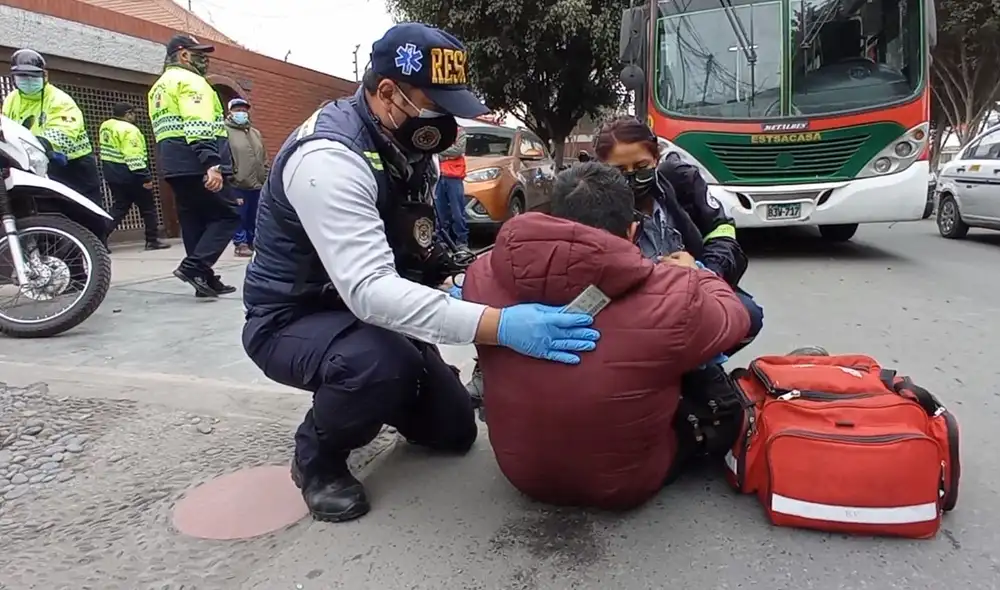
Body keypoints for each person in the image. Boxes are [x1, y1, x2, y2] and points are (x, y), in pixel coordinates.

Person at [241, 23, 600, 523]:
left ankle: (386, 386)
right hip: (295, 317)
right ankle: (317, 457)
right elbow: (370, 292)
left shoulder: (407, 150)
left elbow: (421, 249)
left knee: (453, 430)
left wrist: (479, 282)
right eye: (435, 106)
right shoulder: (329, 159)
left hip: (371, 317)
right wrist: (500, 325)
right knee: (377, 365)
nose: (445, 123)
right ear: (389, 92)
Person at [461, 162, 750, 509]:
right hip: (626, 485)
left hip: (522, 475)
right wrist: (698, 273)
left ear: (554, 217)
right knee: (712, 384)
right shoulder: (675, 294)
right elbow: (738, 318)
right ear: (632, 231)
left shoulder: (481, 274)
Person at [148, 34, 240, 298]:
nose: (205, 60)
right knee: (228, 215)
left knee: (194, 221)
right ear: (184, 55)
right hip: (198, 162)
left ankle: (203, 279)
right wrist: (212, 163)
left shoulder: (158, 87)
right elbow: (197, 124)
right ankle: (194, 267)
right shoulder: (191, 81)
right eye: (200, 54)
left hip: (174, 165)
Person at [3, 49, 106, 229]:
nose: (28, 80)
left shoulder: (59, 99)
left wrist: (44, 142)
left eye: (33, 76)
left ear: (45, 75)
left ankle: (95, 246)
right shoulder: (11, 99)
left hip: (73, 164)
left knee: (87, 217)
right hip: (38, 165)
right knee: (48, 215)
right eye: (22, 76)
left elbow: (67, 128)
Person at [99, 102, 170, 250]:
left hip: (112, 174)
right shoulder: (129, 130)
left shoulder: (106, 126)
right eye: (133, 113)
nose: (135, 116)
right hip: (131, 174)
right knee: (148, 208)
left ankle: (99, 238)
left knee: (119, 208)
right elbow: (133, 156)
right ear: (128, 114)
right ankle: (152, 240)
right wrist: (145, 177)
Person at [224, 97, 268, 258]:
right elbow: (225, 156)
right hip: (238, 183)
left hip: (257, 183)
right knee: (239, 215)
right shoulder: (225, 132)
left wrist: (265, 176)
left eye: (244, 110)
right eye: (237, 110)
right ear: (230, 112)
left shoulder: (255, 133)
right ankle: (240, 243)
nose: (241, 113)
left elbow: (263, 157)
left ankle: (252, 241)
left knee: (254, 215)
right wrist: (231, 177)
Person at [434, 126, 468, 248]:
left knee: (457, 213)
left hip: (454, 177)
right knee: (440, 214)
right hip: (439, 175)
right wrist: (448, 154)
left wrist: (439, 152)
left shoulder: (459, 131)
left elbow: (457, 150)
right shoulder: (438, 130)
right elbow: (432, 150)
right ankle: (442, 242)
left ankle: (462, 242)